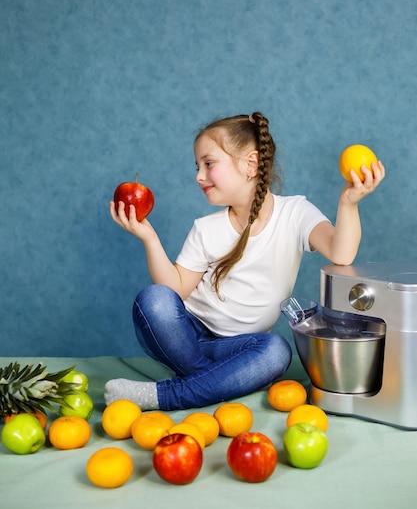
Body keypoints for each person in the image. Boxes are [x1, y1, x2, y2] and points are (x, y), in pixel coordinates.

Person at [105, 112, 385, 411]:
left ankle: (170, 393)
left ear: (250, 164)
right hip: (186, 339)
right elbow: (174, 291)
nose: (199, 175)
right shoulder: (206, 228)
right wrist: (149, 238)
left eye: (208, 164)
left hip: (242, 349)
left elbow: (341, 253)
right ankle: (215, 381)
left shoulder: (295, 213)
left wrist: (349, 202)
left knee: (276, 351)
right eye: (197, 166)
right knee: (154, 299)